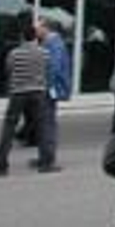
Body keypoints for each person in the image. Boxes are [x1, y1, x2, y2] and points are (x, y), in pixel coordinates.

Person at [0, 24, 48, 177]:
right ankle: (46, 162)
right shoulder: (44, 53)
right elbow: (46, 69)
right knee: (41, 127)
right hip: (38, 92)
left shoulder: (14, 53)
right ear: (36, 37)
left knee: (9, 127)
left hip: (18, 92)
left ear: (22, 37)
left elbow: (9, 69)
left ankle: (1, 165)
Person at [35, 17, 71, 171]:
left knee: (48, 123)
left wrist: (44, 85)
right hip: (47, 88)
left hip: (49, 89)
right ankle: (44, 157)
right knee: (44, 123)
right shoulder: (49, 43)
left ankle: (48, 160)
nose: (36, 31)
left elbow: (54, 68)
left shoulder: (55, 43)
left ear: (46, 28)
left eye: (38, 27)